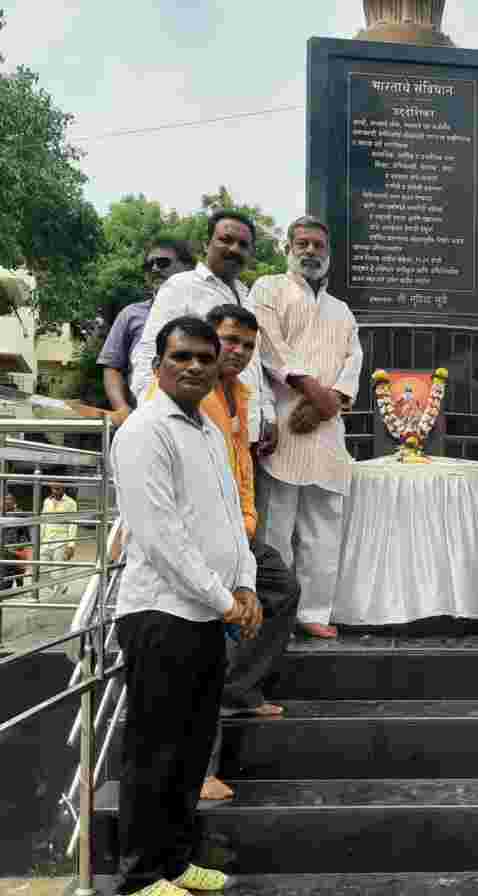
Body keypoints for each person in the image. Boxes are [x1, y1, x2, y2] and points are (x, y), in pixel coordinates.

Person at [113, 315, 262, 896]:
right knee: (155, 750)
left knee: (191, 749)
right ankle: (141, 875)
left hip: (205, 614)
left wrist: (245, 586)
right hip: (160, 614)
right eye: (182, 357)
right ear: (158, 366)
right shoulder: (146, 430)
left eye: (205, 356)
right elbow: (160, 536)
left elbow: (230, 520)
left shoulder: (206, 431)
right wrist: (226, 599)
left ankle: (175, 861)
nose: (196, 366)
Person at [199, 304, 300, 801]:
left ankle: (241, 690)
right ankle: (200, 770)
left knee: (281, 588)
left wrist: (247, 529)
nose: (235, 350)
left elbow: (240, 471)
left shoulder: (239, 393)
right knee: (213, 641)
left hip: (240, 530)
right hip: (204, 538)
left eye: (245, 344)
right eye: (228, 340)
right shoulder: (190, 394)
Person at [251, 215, 363, 639]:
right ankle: (276, 612)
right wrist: (312, 391)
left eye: (318, 244)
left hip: (327, 429)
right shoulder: (268, 289)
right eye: (303, 243)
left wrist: (325, 404)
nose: (311, 251)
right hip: (282, 423)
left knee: (323, 528)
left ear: (328, 252)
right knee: (277, 526)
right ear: (288, 248)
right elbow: (269, 346)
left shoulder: (342, 310)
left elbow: (354, 362)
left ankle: (314, 612)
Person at [130, 210, 276, 447]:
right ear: (206, 243)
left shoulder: (246, 294)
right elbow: (149, 352)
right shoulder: (181, 286)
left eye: (243, 244)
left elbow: (256, 361)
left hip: (244, 431)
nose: (234, 249)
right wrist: (152, 419)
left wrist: (266, 414)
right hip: (198, 427)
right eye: (226, 240)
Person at [98, 240, 195, 423]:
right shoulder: (131, 314)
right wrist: (121, 408)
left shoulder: (204, 310)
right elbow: (112, 367)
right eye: (148, 265)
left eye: (163, 262)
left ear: (187, 267)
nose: (155, 269)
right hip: (145, 418)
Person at [40, 480, 78, 598]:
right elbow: (42, 520)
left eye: (58, 488)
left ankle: (55, 598)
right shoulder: (47, 501)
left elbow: (73, 523)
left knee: (58, 573)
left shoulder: (71, 503)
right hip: (46, 541)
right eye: (53, 488)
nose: (55, 491)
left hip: (61, 541)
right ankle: (61, 587)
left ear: (63, 488)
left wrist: (71, 545)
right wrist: (39, 540)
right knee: (41, 570)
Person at [1, 493, 31, 590]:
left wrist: (25, 545)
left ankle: (14, 584)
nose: (7, 502)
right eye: (5, 500)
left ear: (14, 502)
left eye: (10, 500)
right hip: (2, 546)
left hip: (14, 547)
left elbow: (25, 531)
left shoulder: (19, 514)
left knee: (14, 569)